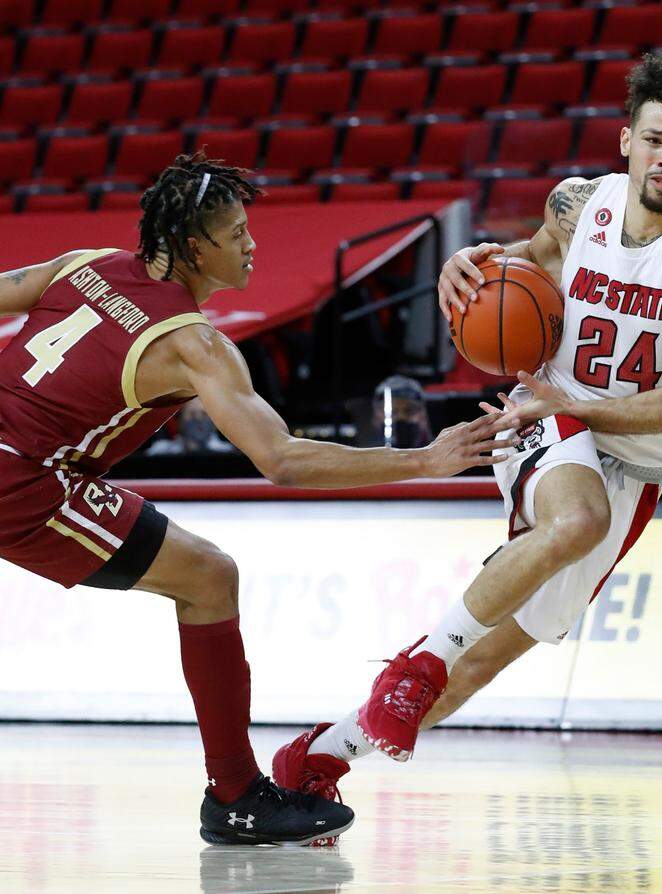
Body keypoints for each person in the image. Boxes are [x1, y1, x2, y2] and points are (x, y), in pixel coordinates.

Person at [273, 50, 662, 802]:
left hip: (629, 456)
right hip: (543, 415)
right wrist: (462, 267)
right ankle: (413, 667)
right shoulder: (575, 205)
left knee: (482, 664)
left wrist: (586, 412)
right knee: (577, 518)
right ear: (626, 138)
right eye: (655, 139)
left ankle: (316, 762)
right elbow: (517, 269)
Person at [0, 152, 511, 846]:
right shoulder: (194, 345)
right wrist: (426, 458)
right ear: (191, 246)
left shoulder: (83, 262)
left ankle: (237, 792)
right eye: (236, 232)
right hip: (22, 479)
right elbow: (283, 460)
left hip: (28, 462)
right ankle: (237, 797)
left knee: (206, 572)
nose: (251, 244)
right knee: (209, 578)